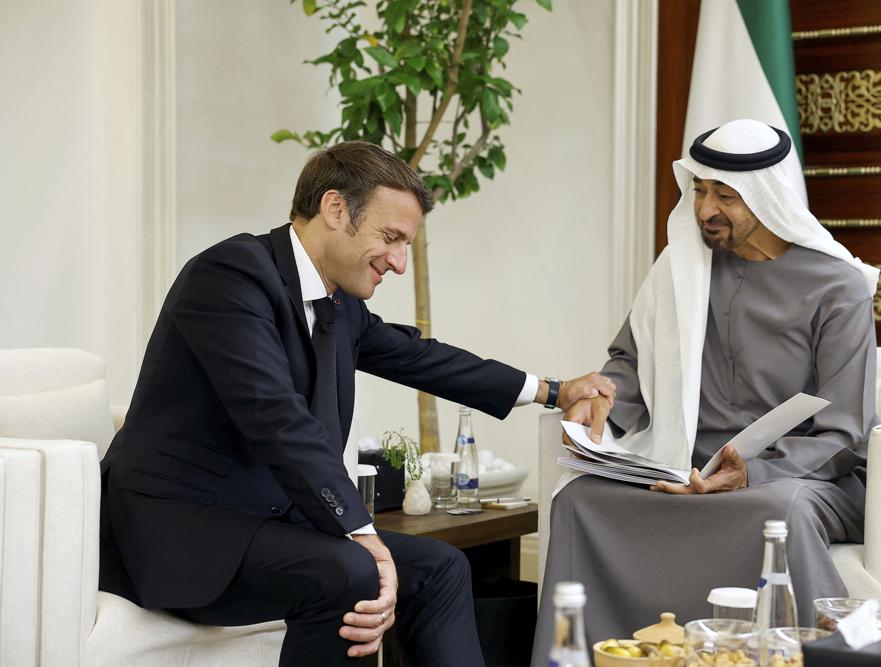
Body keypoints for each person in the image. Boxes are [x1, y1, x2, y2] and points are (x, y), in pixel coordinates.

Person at [98, 141, 615, 666]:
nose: (398, 262)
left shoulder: (336, 304)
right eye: (391, 238)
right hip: (176, 533)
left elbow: (421, 358)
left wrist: (555, 389)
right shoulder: (228, 277)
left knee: (441, 567)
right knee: (353, 570)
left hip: (264, 525)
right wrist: (360, 533)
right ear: (335, 209)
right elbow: (276, 418)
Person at [532, 119, 880, 664]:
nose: (704, 211)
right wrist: (603, 396)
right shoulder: (682, 269)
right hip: (684, 464)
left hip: (803, 476)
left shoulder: (839, 286)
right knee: (579, 498)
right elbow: (628, 363)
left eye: (725, 195)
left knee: (776, 508)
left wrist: (754, 472)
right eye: (698, 191)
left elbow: (844, 433)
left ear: (768, 195)